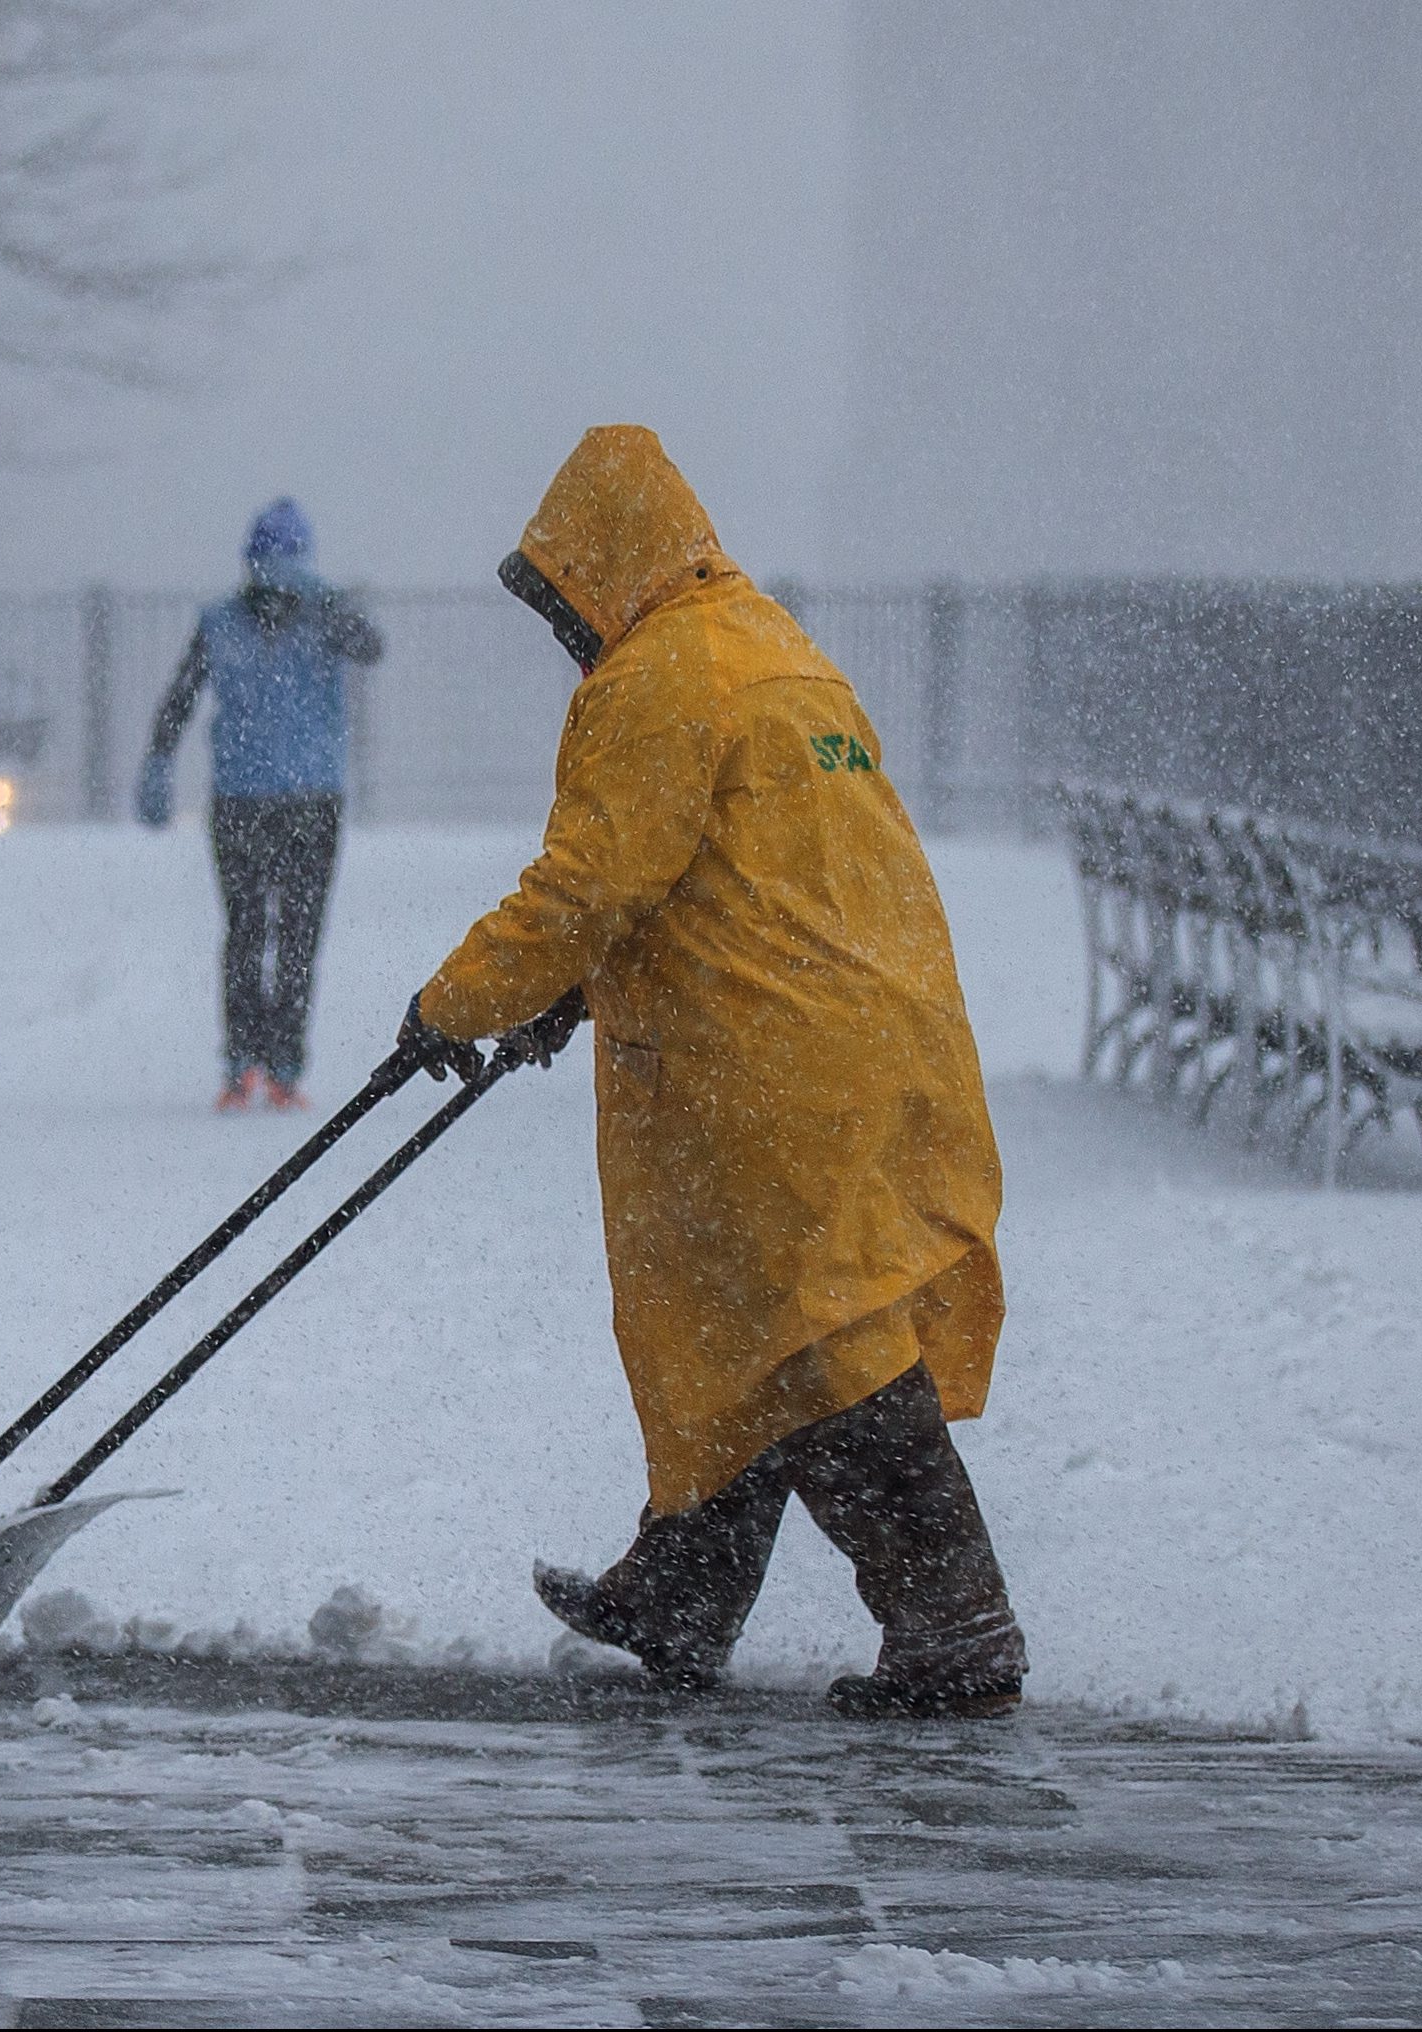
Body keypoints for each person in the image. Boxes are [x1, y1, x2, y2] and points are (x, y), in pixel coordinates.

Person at [389, 426, 1025, 1719]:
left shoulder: (659, 678)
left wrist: (454, 1005)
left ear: (600, 565)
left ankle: (953, 1627)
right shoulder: (775, 653)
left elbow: (593, 880)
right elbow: (730, 863)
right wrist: (574, 989)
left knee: (823, 1338)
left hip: (773, 1057)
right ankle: (681, 1588)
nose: (563, 626)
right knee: (760, 1324)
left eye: (561, 595)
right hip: (868, 1035)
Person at [137, 498, 384, 1111]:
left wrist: (326, 603)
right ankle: (254, 1063)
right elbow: (181, 698)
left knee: (270, 933)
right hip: (270, 801)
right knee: (271, 932)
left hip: (285, 800)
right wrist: (159, 761)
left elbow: (370, 646)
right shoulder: (222, 623)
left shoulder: (321, 620)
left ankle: (273, 1065)